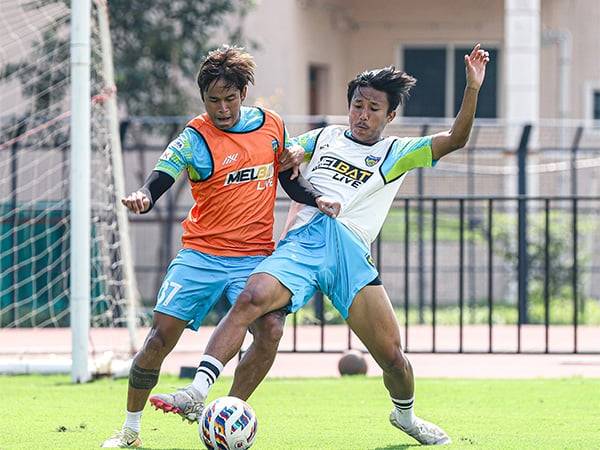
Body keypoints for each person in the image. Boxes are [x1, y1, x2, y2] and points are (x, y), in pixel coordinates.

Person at [169, 44, 490, 446]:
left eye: (374, 108)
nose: (363, 114)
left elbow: (456, 139)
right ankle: (206, 399)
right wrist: (286, 152)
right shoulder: (325, 136)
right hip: (305, 241)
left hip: (350, 253)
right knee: (252, 298)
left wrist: (472, 88)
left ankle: (406, 417)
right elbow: (284, 152)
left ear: (390, 115)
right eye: (358, 105)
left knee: (393, 358)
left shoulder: (398, 152)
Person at [101, 45, 339, 448]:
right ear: (203, 98)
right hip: (201, 256)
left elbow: (287, 178)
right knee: (158, 340)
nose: (222, 108)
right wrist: (144, 195)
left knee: (272, 330)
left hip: (255, 257)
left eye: (230, 99)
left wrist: (316, 198)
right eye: (214, 100)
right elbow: (162, 175)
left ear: (244, 94)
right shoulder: (195, 136)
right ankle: (130, 429)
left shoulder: (272, 126)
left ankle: (224, 414)